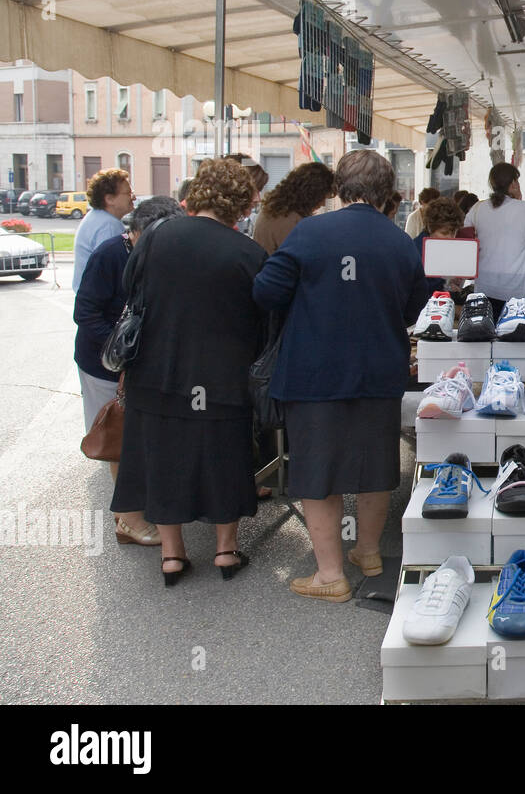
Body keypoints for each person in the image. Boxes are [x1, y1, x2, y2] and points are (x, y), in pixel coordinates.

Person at [253, 149, 429, 604]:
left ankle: (330, 574)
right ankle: (368, 553)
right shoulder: (399, 243)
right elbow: (413, 310)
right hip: (379, 369)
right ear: (388, 192)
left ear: (339, 186)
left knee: (318, 469)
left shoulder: (311, 231)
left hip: (316, 372)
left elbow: (266, 291)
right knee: (374, 464)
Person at [111, 160, 266, 585]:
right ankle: (225, 551)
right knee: (224, 457)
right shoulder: (247, 252)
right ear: (239, 203)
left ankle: (173, 555)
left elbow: (131, 287)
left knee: (163, 458)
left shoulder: (156, 237)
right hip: (221, 377)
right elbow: (262, 317)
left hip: (155, 373)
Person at [73, 196, 186, 547]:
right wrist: (122, 349)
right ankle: (128, 520)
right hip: (105, 364)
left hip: (141, 365)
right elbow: (85, 311)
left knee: (139, 437)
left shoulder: (159, 254)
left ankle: (139, 509)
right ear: (137, 231)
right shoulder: (110, 254)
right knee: (118, 438)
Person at [462, 163, 525, 320]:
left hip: (484, 286)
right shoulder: (523, 208)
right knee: (518, 340)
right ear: (513, 184)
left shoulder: (477, 208)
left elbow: (466, 240)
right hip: (518, 288)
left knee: (486, 338)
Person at [252, 162, 336, 254]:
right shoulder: (287, 220)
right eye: (322, 197)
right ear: (311, 194)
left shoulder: (277, 210)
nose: (323, 204)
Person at [72, 168, 133, 292]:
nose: (134, 197)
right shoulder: (108, 226)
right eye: (128, 193)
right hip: (100, 301)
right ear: (109, 199)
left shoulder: (98, 217)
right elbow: (114, 268)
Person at [414, 197, 466, 294]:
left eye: (454, 233)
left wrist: (448, 282)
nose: (451, 238)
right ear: (430, 228)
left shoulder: (437, 246)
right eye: (444, 233)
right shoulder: (417, 251)